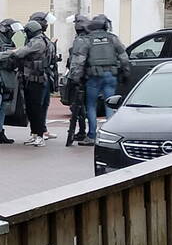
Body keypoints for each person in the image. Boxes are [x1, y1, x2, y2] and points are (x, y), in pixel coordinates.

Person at [69, 16, 130, 146]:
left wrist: (76, 77)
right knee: (110, 104)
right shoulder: (113, 38)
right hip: (111, 76)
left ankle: (91, 135)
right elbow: (124, 58)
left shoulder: (87, 40)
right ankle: (110, 134)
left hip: (93, 77)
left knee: (91, 106)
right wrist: (125, 73)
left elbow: (80, 61)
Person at [10, 20, 50, 147]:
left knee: (36, 108)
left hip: (36, 79)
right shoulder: (41, 40)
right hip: (31, 79)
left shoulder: (38, 42)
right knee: (31, 108)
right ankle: (34, 134)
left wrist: (11, 52)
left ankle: (39, 136)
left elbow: (21, 52)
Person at [29, 11, 60, 140]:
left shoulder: (42, 37)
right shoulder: (34, 39)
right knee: (38, 105)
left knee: (45, 103)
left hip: (46, 74)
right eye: (45, 22)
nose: (47, 24)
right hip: (38, 75)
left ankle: (42, 130)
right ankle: (37, 132)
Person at [64, 14, 91, 143]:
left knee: (79, 106)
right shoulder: (91, 38)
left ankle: (81, 132)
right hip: (90, 76)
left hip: (80, 77)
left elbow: (77, 61)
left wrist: (74, 77)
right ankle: (85, 132)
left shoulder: (80, 40)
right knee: (85, 106)